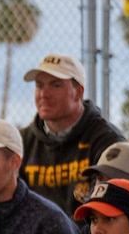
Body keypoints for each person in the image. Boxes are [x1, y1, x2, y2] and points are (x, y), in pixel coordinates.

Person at [19, 53, 123, 214]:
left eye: (55, 85)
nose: (44, 94)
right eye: (39, 85)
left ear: (79, 92)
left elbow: (113, 212)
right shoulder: (22, 142)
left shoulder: (107, 141)